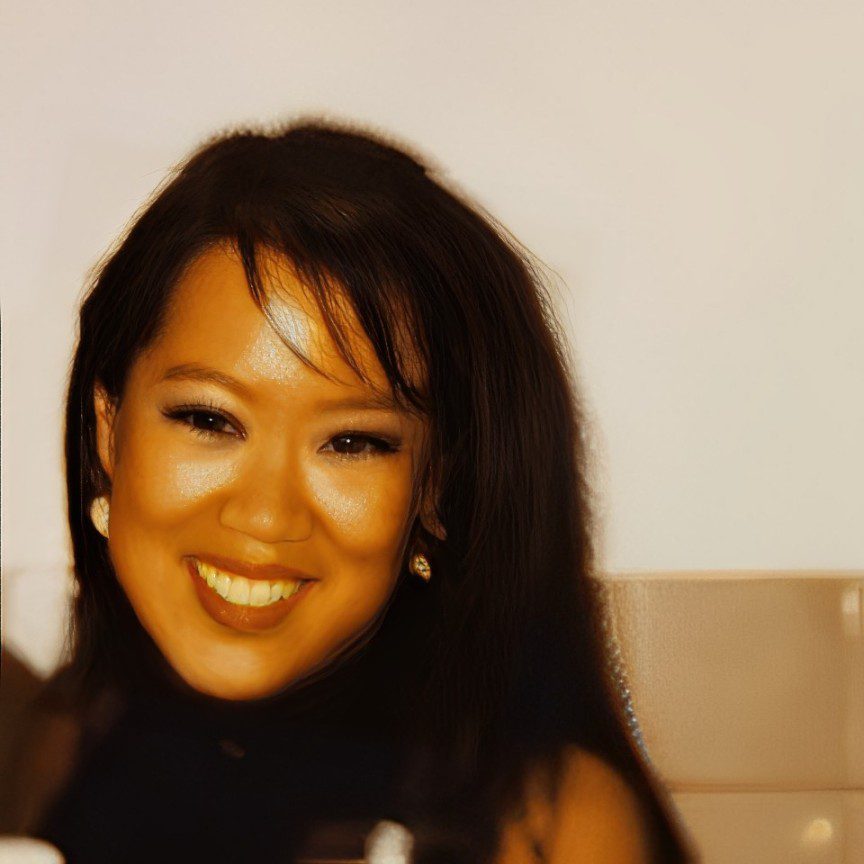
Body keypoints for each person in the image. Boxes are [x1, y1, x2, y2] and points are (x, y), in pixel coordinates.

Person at [4, 119, 699, 863]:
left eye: (352, 443)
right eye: (208, 419)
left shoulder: (546, 825)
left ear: (434, 483)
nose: (265, 513)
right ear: (109, 432)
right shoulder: (54, 746)